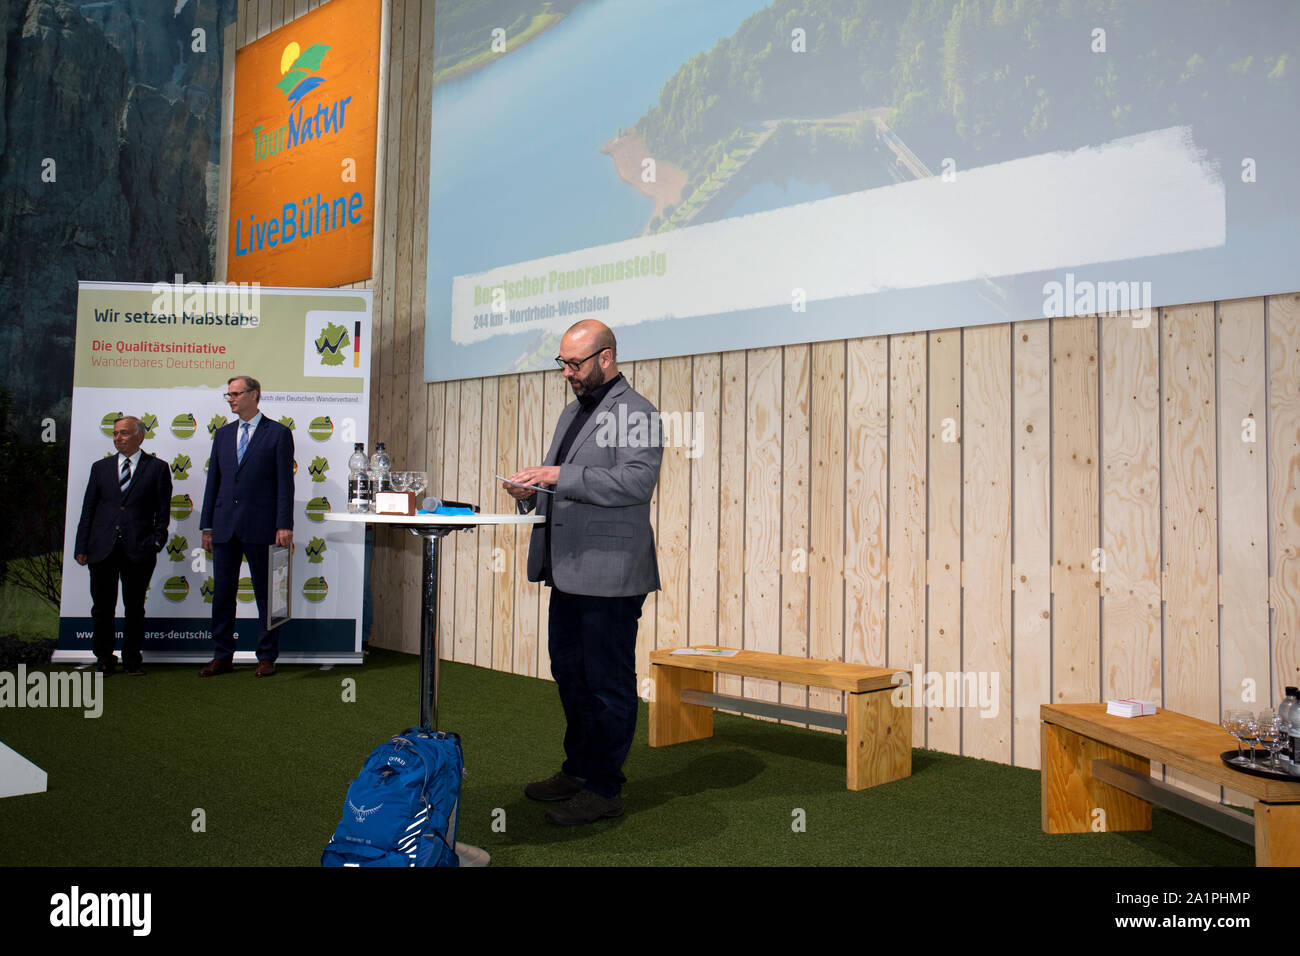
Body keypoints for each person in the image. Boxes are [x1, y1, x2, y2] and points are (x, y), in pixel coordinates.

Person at [503, 319, 663, 826]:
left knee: (607, 682)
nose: (568, 372)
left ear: (606, 359)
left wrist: (557, 475)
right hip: (567, 570)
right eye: (563, 363)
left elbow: (636, 483)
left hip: (610, 575)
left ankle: (604, 788)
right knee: (570, 674)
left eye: (576, 363)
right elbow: (565, 484)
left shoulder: (637, 412)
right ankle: (578, 769)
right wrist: (533, 490)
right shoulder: (573, 411)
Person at [198, 375, 294, 678]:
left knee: (268, 595)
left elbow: (284, 484)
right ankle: (222, 656)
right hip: (225, 526)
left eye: (236, 394)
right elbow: (214, 481)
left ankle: (267, 657)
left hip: (264, 526)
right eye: (227, 395)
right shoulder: (223, 434)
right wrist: (207, 526)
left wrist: (284, 524)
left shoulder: (278, 434)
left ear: (254, 395)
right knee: (222, 594)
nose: (231, 399)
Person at [73, 416, 173, 676]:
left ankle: (132, 659)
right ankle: (104, 658)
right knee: (102, 607)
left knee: (135, 606)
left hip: (139, 548)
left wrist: (157, 541)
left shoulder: (158, 468)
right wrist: (81, 545)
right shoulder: (100, 468)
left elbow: (163, 512)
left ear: (140, 436)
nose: (118, 438)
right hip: (101, 547)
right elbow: (89, 510)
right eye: (115, 433)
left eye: (124, 433)